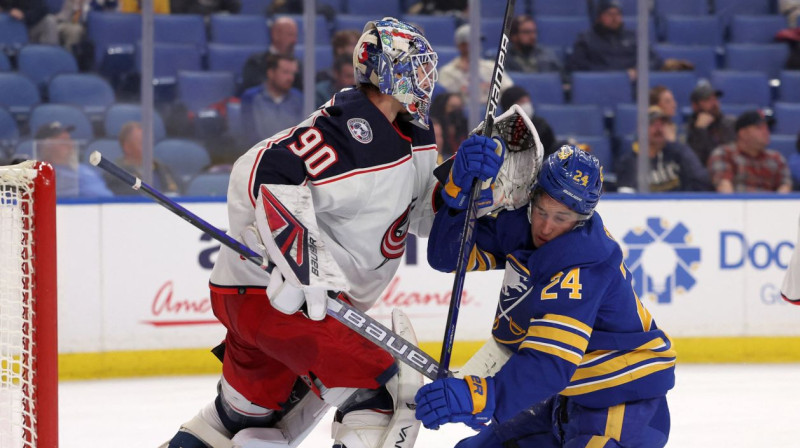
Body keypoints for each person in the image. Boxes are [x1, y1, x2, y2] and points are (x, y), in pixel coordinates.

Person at [163, 17, 468, 448]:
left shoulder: (416, 131)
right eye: (414, 67)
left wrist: (461, 185)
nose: (425, 79)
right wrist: (300, 261)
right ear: (383, 70)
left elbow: (419, 216)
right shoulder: (348, 129)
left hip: (281, 304)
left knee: (239, 419)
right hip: (270, 296)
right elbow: (260, 171)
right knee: (378, 395)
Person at [415, 145, 676, 447]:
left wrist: (483, 396)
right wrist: (459, 195)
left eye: (562, 217)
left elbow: (550, 363)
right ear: (533, 197)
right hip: (566, 401)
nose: (547, 227)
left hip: (624, 407)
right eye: (542, 211)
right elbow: (448, 257)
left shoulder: (586, 261)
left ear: (582, 217)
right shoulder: (522, 227)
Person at [616, 106, 712, 192]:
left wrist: (677, 145)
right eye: (652, 123)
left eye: (662, 123)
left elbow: (700, 180)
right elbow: (626, 196)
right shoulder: (629, 162)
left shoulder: (678, 153)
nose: (659, 128)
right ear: (640, 130)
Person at [568, 0, 669, 80]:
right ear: (599, 17)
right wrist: (619, 75)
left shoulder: (633, 37)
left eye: (617, 14)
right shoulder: (586, 39)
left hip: (634, 84)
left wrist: (639, 70)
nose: (614, 18)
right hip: (602, 83)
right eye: (609, 14)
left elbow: (654, 60)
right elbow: (578, 66)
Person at [707, 110, 792, 193]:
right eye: (759, 128)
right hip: (737, 204)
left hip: (770, 206)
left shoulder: (776, 158)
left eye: (767, 128)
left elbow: (785, 187)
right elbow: (724, 188)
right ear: (743, 133)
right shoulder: (724, 154)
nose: (766, 132)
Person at [438, 24, 514, 103]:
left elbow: (509, 90)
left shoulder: (491, 66)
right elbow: (447, 101)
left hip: (494, 111)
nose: (478, 45)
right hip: (465, 112)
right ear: (461, 45)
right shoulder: (447, 71)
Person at [33, 122, 113, 198]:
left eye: (69, 139)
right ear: (45, 146)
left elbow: (106, 198)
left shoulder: (83, 171)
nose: (69, 145)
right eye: (63, 140)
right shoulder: (35, 174)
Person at [240, 53, 304, 146]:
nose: (290, 78)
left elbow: (301, 132)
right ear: (270, 73)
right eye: (285, 72)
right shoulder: (251, 97)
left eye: (293, 73)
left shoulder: (298, 97)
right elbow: (251, 135)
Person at [103, 121, 182, 196]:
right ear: (127, 147)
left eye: (150, 143)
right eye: (143, 143)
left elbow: (179, 194)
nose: (149, 147)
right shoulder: (115, 175)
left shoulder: (164, 169)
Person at [240, 16, 300, 93]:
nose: (294, 40)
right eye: (290, 35)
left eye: (296, 35)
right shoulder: (256, 62)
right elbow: (252, 88)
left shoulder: (299, 65)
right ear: (275, 35)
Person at [686, 80, 736, 166]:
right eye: (707, 100)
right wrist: (700, 131)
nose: (714, 103)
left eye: (715, 99)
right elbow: (694, 162)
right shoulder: (691, 130)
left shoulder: (729, 124)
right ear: (695, 106)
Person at [499, 85, 557, 157]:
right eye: (522, 102)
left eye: (528, 101)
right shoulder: (500, 130)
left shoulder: (541, 125)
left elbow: (551, 149)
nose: (527, 105)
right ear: (509, 107)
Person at [429, 92, 469, 161]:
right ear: (442, 107)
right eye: (453, 107)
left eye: (459, 107)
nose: (456, 111)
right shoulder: (435, 127)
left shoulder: (463, 128)